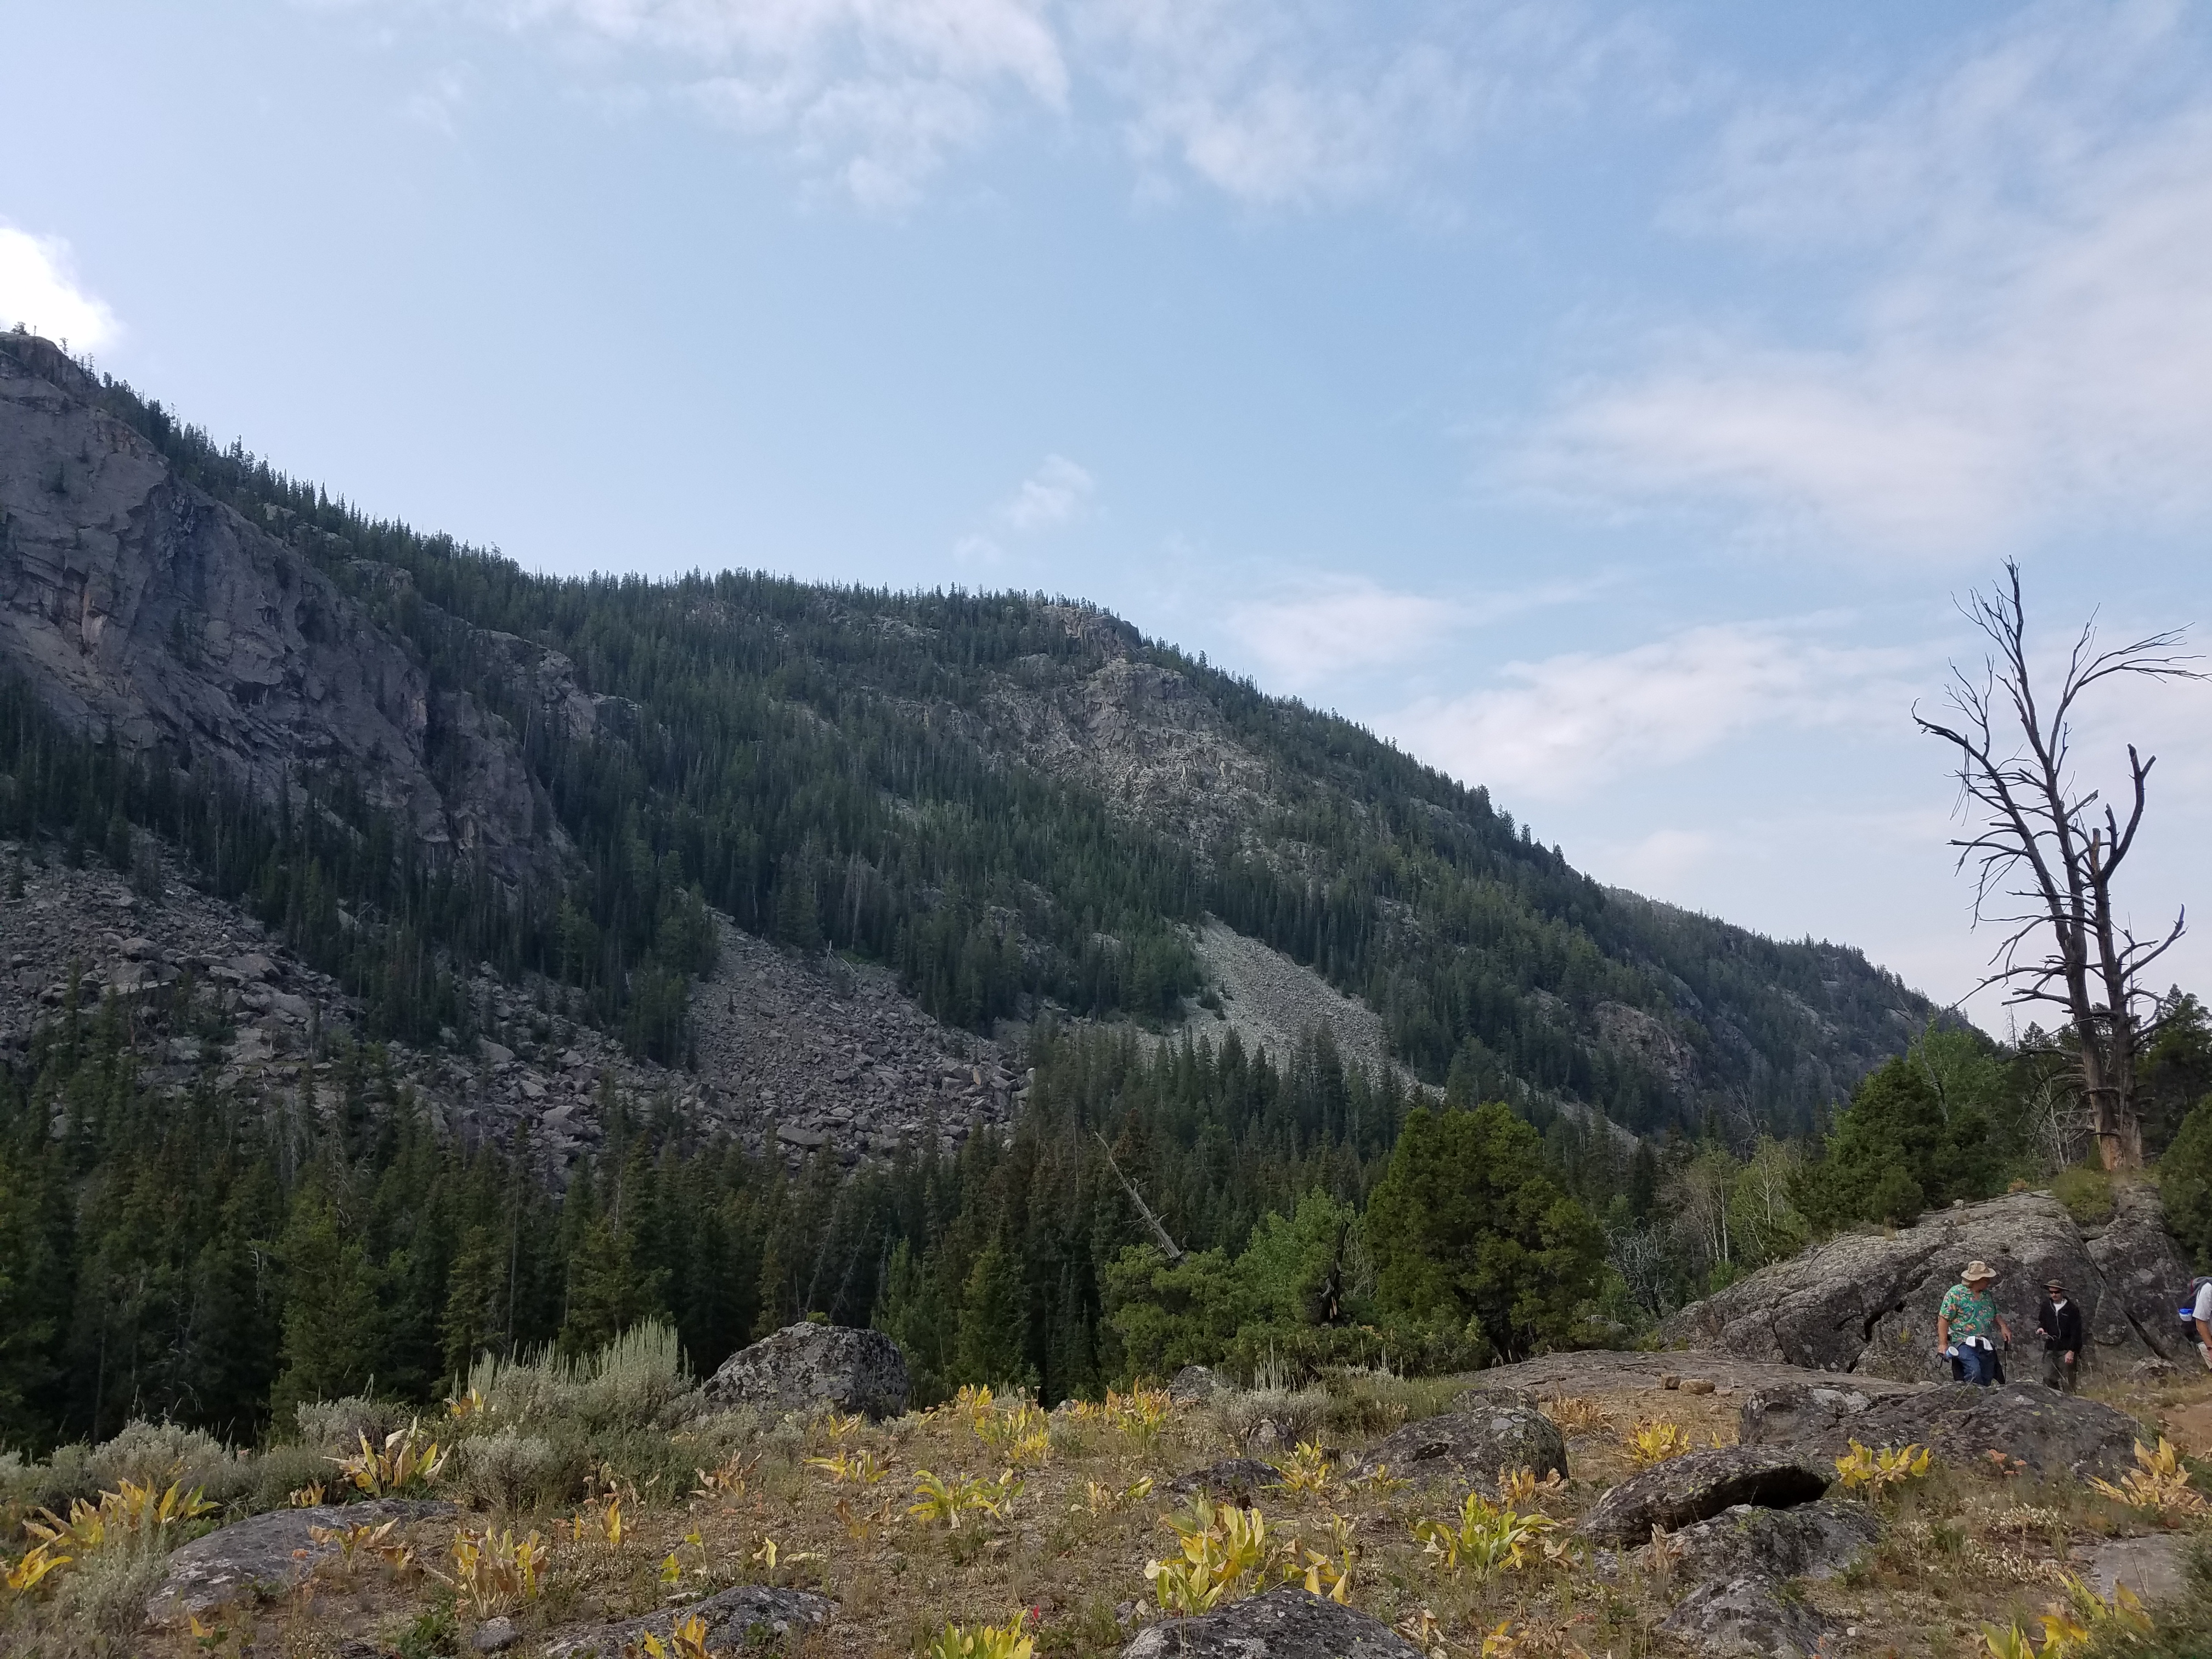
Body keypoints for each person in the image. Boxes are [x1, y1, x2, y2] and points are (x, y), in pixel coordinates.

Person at [1936, 1260, 2011, 1385]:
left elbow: (1994, 1313)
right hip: (1963, 1341)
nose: (1989, 1281)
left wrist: (2004, 1327)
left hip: (1984, 1341)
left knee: (1987, 1375)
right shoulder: (1955, 1294)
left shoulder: (1986, 1295)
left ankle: (1983, 1400)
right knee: (1974, 1371)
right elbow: (1944, 1319)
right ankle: (1968, 1396)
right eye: (1986, 1279)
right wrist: (1943, 1344)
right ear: (1977, 1280)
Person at [2035, 1278, 2082, 1393]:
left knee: (2068, 1381)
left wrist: (2072, 1351)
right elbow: (2042, 1321)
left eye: (2057, 1292)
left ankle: (2070, 1404)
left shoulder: (2072, 1309)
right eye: (2051, 1292)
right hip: (2051, 1348)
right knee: (2047, 1377)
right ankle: (2056, 1400)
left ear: (2062, 1292)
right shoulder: (2046, 1306)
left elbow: (2076, 1331)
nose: (2054, 1295)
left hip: (2066, 1349)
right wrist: (2041, 1329)